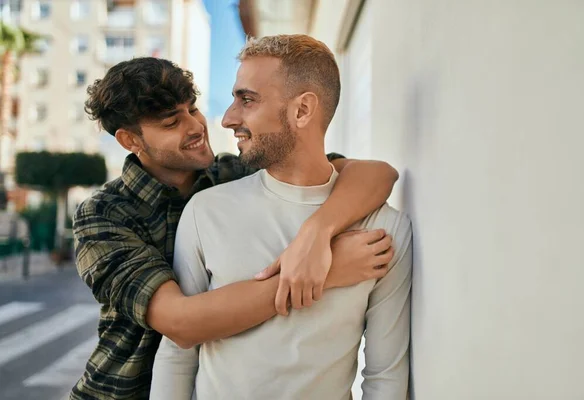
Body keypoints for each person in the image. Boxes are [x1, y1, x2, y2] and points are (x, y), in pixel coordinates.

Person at [71, 56, 400, 400]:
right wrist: (327, 269)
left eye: (193, 109)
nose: (196, 126)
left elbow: (374, 173)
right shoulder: (103, 215)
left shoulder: (234, 174)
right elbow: (183, 324)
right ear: (130, 141)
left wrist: (317, 232)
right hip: (121, 392)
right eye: (172, 123)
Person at [151, 35, 412, 400]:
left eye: (247, 100)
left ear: (302, 111)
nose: (227, 119)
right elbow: (178, 355)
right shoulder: (206, 211)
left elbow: (384, 375)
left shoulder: (383, 230)